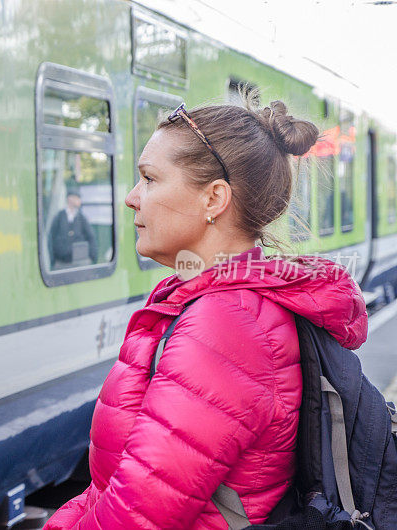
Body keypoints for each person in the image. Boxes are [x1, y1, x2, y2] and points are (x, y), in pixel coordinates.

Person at [44, 93, 368, 528]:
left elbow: (135, 516)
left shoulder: (227, 324)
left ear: (214, 199)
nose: (131, 198)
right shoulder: (213, 303)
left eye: (150, 179)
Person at [49, 188, 98, 268]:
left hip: (80, 263)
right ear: (70, 199)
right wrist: (53, 260)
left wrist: (92, 257)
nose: (79, 201)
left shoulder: (82, 218)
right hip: (61, 263)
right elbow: (51, 237)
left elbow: (91, 237)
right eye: (77, 198)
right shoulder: (59, 216)